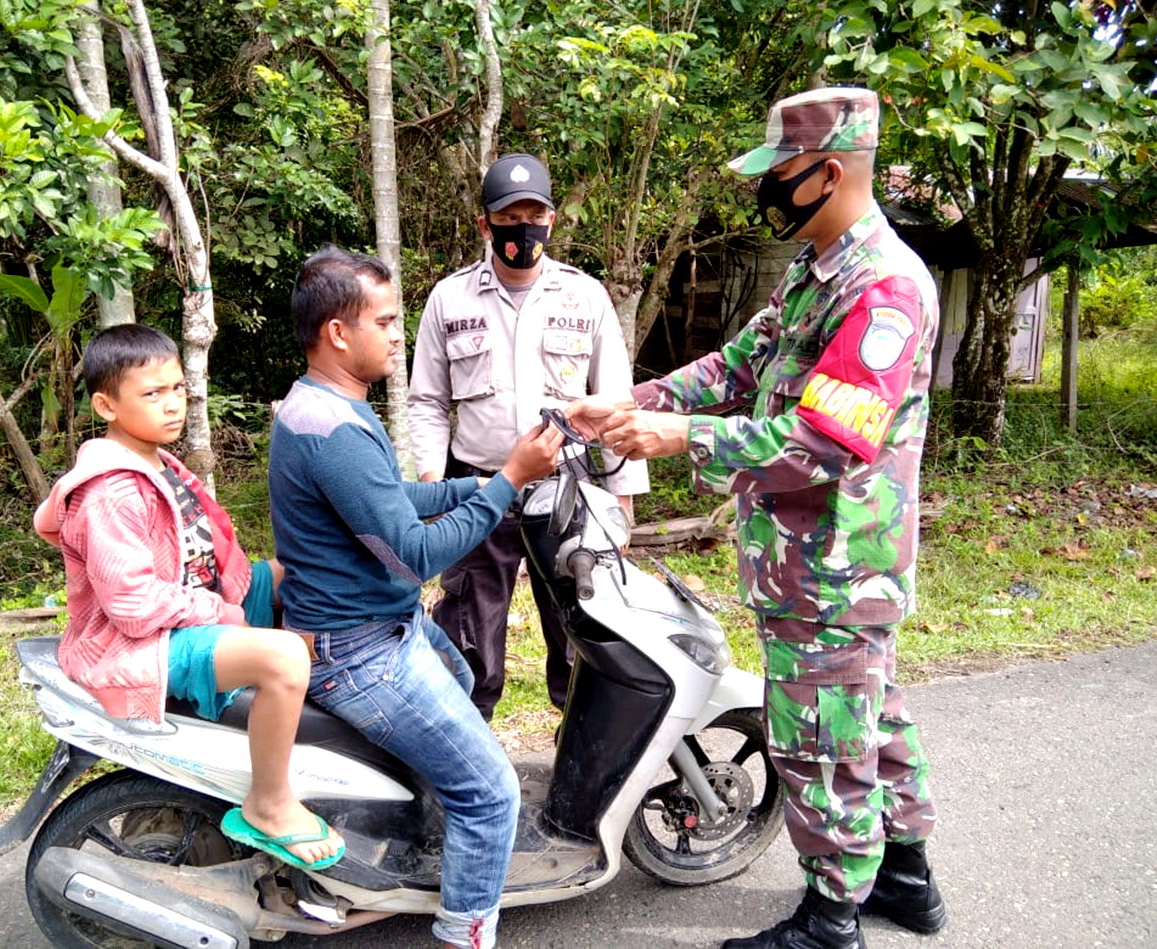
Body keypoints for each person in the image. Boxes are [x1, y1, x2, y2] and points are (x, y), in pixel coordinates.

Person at [566, 88, 947, 949]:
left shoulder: (883, 288)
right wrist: (629, 404)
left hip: (837, 561)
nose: (765, 190)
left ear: (831, 172)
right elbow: (737, 368)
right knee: (868, 716)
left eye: (778, 174)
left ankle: (833, 917)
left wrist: (678, 438)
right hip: (809, 558)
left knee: (820, 736)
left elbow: (826, 442)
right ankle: (905, 877)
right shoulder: (815, 271)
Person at [267, 245, 563, 949]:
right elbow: (415, 552)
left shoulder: (323, 406)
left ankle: (421, 834)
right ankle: (464, 933)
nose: (398, 333)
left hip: (378, 621)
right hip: (358, 647)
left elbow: (390, 498)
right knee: (493, 794)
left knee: (461, 675)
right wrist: (505, 484)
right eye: (387, 320)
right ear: (339, 332)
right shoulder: (333, 429)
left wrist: (487, 478)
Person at [33, 323, 344, 874]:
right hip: (143, 643)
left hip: (191, 609)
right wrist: (228, 618)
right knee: (285, 656)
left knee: (307, 568)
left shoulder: (158, 461)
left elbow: (204, 563)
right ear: (106, 404)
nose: (172, 404)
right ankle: (269, 803)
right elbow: (132, 606)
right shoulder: (110, 491)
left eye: (177, 389)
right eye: (152, 394)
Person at [408, 152, 649, 721]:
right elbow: (427, 401)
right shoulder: (450, 298)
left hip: (570, 492)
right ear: (484, 224)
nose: (524, 227)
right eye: (509, 215)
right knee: (469, 632)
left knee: (584, 632)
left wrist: (623, 502)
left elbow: (617, 401)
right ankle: (467, 756)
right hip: (477, 489)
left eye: (534, 213)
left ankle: (582, 763)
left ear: (552, 219)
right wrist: (432, 486)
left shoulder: (584, 295)